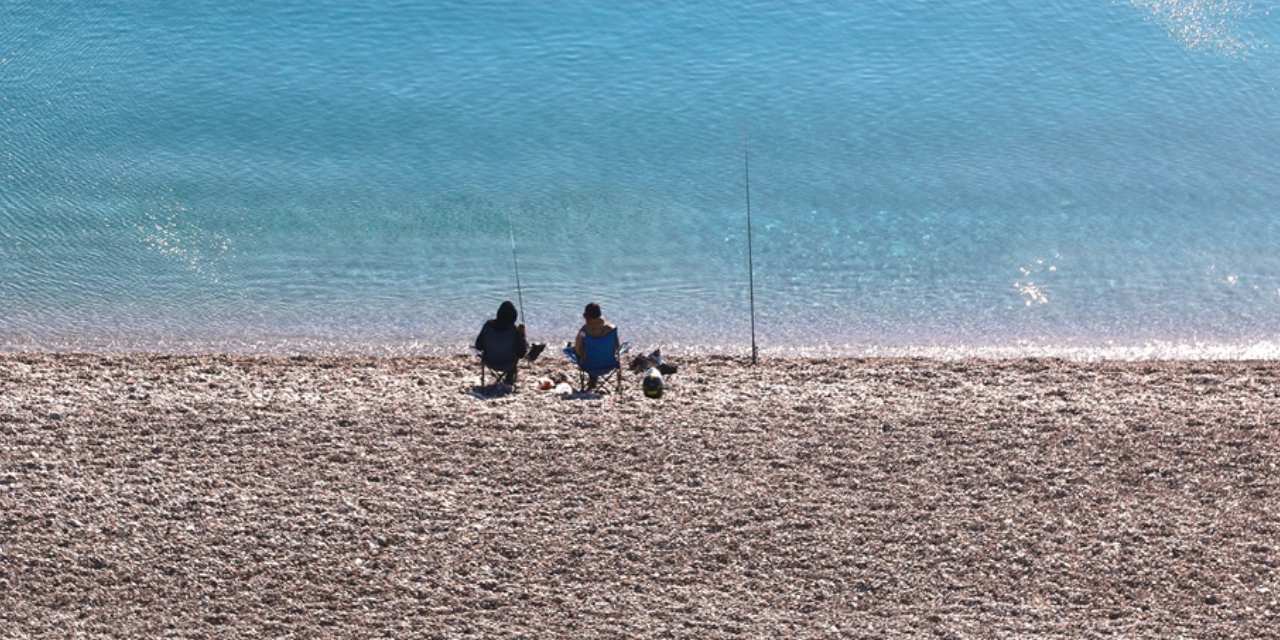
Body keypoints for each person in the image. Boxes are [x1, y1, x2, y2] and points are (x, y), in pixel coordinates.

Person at [475, 300, 528, 385]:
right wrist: (522, 335)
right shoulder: (514, 330)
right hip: (508, 364)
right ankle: (509, 378)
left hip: (489, 361)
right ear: (514, 317)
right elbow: (521, 353)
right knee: (516, 350)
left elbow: (478, 346)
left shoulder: (488, 325)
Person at [573, 302, 619, 389]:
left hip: (589, 365)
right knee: (599, 350)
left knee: (576, 350)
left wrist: (579, 354)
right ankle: (593, 380)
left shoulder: (584, 331)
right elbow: (616, 347)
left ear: (586, 316)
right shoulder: (611, 329)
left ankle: (592, 380)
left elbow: (578, 349)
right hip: (609, 364)